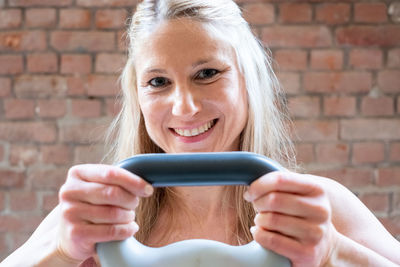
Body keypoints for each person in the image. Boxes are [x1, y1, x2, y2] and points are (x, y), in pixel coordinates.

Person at [2, 0, 400, 266]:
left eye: (207, 74)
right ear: (137, 95)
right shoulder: (99, 214)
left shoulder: (318, 207)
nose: (185, 108)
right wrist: (57, 252)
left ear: (247, 81)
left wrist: (334, 252)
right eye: (158, 82)